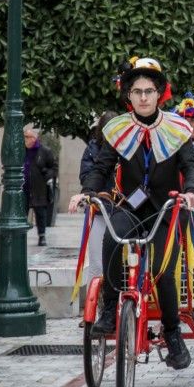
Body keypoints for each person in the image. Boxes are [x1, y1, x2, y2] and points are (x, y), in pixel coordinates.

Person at [69, 57, 194, 370]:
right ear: (128, 95)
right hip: (133, 204)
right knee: (112, 240)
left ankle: (173, 335)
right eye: (137, 91)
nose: (143, 96)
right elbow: (100, 168)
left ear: (159, 94)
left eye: (149, 91)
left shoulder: (177, 129)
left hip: (167, 208)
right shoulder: (116, 130)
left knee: (164, 270)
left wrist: (191, 193)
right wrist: (87, 193)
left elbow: (190, 166)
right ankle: (111, 308)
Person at [79, 111, 118, 277]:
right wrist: (95, 192)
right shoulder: (92, 148)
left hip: (122, 208)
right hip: (100, 208)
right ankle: (96, 295)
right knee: (96, 256)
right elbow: (87, 175)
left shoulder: (126, 147)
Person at [23, 127, 58, 247]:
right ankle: (21, 235)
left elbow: (54, 168)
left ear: (34, 138)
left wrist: (46, 174)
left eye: (28, 137)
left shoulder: (44, 151)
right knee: (22, 212)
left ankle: (42, 236)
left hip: (40, 187)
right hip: (23, 187)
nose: (25, 139)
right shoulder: (21, 151)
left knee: (40, 213)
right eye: (25, 137)